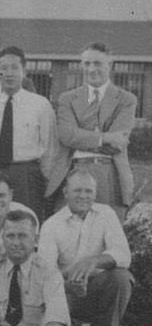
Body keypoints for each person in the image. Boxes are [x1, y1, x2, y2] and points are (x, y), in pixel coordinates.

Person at [38, 168, 133, 326]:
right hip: (64, 291)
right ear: (66, 193)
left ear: (95, 193)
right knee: (51, 294)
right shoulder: (51, 225)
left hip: (98, 287)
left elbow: (123, 255)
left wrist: (93, 261)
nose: (83, 196)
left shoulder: (106, 214)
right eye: (77, 191)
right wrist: (69, 282)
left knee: (121, 277)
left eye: (88, 191)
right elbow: (45, 272)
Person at [48, 42, 137, 216]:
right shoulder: (67, 98)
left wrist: (81, 138)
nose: (91, 69)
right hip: (73, 169)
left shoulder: (126, 100)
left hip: (109, 173)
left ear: (109, 66)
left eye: (97, 63)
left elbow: (117, 143)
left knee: (106, 229)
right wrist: (105, 138)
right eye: (87, 64)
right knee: (69, 230)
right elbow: (67, 135)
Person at [0, 45, 56, 219]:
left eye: (14, 67)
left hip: (27, 174)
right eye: (3, 68)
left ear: (24, 71)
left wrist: (44, 181)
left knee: (27, 220)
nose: (9, 73)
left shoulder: (40, 104)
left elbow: (50, 148)